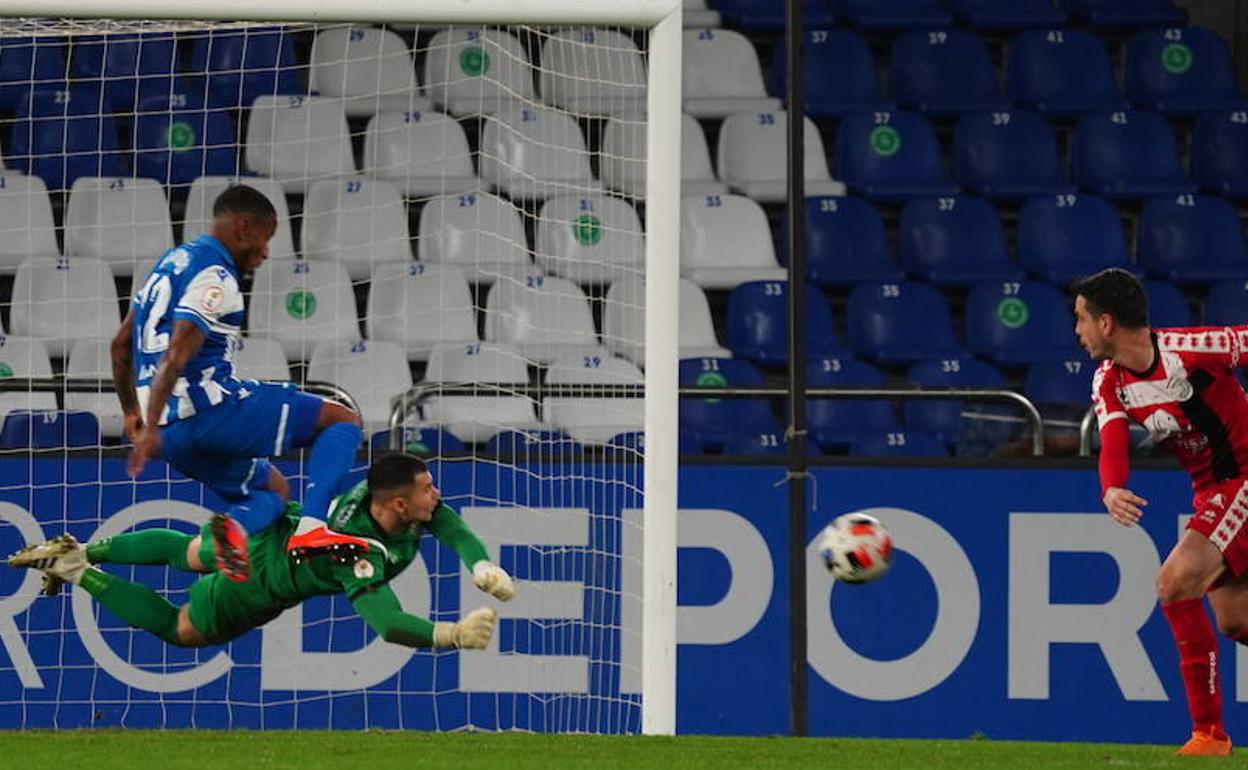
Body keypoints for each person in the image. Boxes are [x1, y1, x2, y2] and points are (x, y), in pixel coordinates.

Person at [7, 452, 516, 650]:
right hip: (261, 578)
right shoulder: (357, 552)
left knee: (188, 551)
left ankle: (87, 547)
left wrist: (482, 564)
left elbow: (455, 531)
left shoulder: (399, 503)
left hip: (275, 523)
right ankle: (77, 567)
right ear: (401, 504)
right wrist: (452, 634)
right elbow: (389, 624)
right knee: (179, 629)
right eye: (428, 489)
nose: (437, 494)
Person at [112, 185, 364, 581]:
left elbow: (120, 345)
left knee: (272, 491)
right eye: (266, 239)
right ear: (244, 227)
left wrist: (134, 413)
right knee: (342, 419)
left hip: (171, 438)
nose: (265, 253)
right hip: (212, 414)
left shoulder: (171, 261)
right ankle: (314, 529)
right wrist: (146, 433)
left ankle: (234, 529)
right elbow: (175, 357)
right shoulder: (216, 276)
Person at [1075, 267, 1248, 757]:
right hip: (1211, 491)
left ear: (1106, 323)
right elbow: (1111, 441)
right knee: (1235, 620)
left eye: (1081, 319)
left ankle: (1210, 736)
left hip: (1244, 479)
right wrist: (1112, 490)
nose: (1077, 332)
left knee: (1174, 582)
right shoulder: (1109, 380)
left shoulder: (1194, 350)